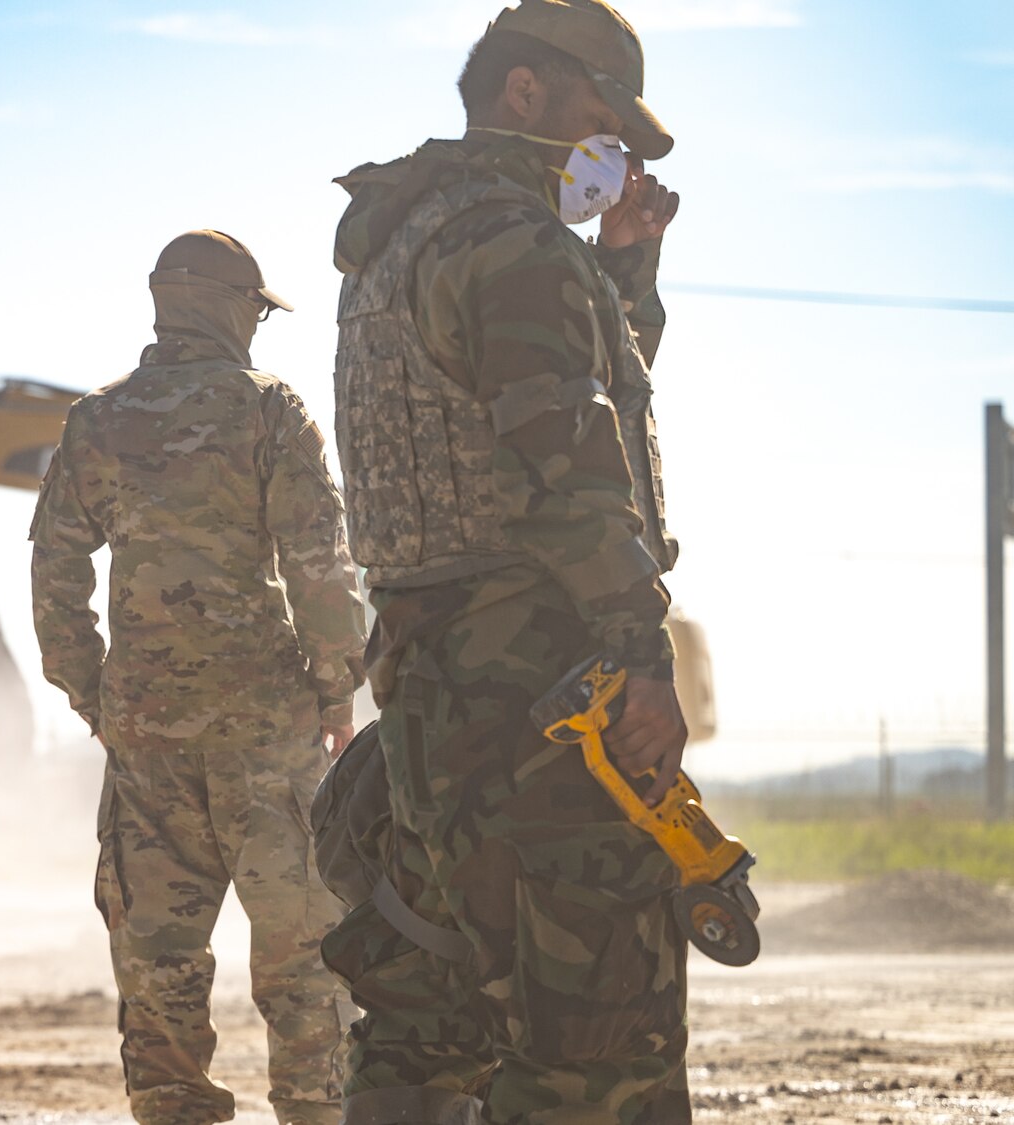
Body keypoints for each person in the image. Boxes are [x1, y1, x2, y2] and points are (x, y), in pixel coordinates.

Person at [325, 1, 689, 1120]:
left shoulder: (404, 235)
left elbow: (522, 404)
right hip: (537, 692)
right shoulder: (514, 244)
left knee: (432, 1022)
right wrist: (640, 651)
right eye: (597, 118)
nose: (611, 154)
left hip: (429, 692)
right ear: (521, 94)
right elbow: (563, 470)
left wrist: (622, 272)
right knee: (596, 1037)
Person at [30, 230, 367, 1125]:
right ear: (230, 309)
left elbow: (54, 571)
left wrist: (95, 697)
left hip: (147, 742)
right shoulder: (268, 410)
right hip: (269, 736)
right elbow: (319, 565)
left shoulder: (96, 420)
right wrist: (338, 691)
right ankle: (316, 1112)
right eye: (256, 311)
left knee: (158, 967)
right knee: (306, 960)